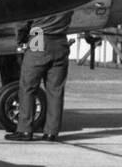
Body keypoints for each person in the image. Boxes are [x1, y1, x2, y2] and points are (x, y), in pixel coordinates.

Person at [6, 10, 73, 141]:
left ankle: (25, 130)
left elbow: (22, 23)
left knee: (28, 88)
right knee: (56, 91)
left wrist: (20, 40)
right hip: (60, 42)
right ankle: (51, 132)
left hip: (39, 40)